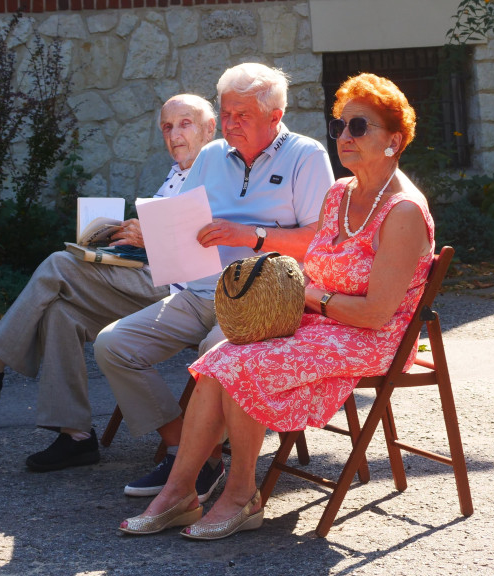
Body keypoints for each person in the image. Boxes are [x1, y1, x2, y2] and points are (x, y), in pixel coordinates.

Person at [118, 72, 435, 540]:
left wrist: (307, 296)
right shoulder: (340, 194)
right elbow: (314, 267)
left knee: (245, 366)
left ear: (395, 139)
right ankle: (180, 491)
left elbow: (375, 315)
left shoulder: (403, 211)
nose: (344, 138)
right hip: (319, 323)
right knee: (220, 358)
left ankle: (242, 494)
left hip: (371, 339)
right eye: (340, 127)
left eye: (359, 128)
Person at [0, 94, 218, 476]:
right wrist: (122, 238)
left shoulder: (216, 168)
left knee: (59, 265)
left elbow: (209, 243)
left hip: (185, 295)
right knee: (61, 311)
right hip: (151, 279)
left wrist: (151, 237)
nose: (174, 134)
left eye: (185, 124)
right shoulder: (176, 172)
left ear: (210, 127)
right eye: (166, 127)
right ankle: (76, 435)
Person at [93, 63, 334, 500]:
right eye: (225, 114)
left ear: (275, 117)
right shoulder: (209, 156)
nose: (229, 124)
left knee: (214, 353)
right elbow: (184, 226)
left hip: (266, 299)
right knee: (114, 345)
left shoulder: (307, 155)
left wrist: (251, 235)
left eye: (242, 115)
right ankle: (184, 448)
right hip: (201, 289)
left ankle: (197, 462)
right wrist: (158, 236)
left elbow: (321, 241)